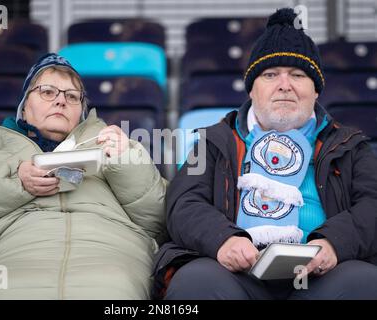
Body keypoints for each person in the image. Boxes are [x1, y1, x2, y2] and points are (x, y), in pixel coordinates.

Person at [153, 8, 377, 300]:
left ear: (316, 91)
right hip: (236, 274)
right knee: (196, 282)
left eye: (297, 75)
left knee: (365, 283)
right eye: (270, 74)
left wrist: (335, 242)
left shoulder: (348, 144)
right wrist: (223, 239)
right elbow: (183, 202)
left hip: (324, 275)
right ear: (252, 90)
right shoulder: (213, 141)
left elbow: (372, 202)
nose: (284, 84)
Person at [0, 53, 167, 299]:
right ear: (24, 105)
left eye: (72, 96)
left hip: (109, 267)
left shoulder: (112, 148)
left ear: (81, 112)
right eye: (48, 92)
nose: (61, 101)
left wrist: (126, 160)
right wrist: (14, 181)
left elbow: (162, 223)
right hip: (11, 271)